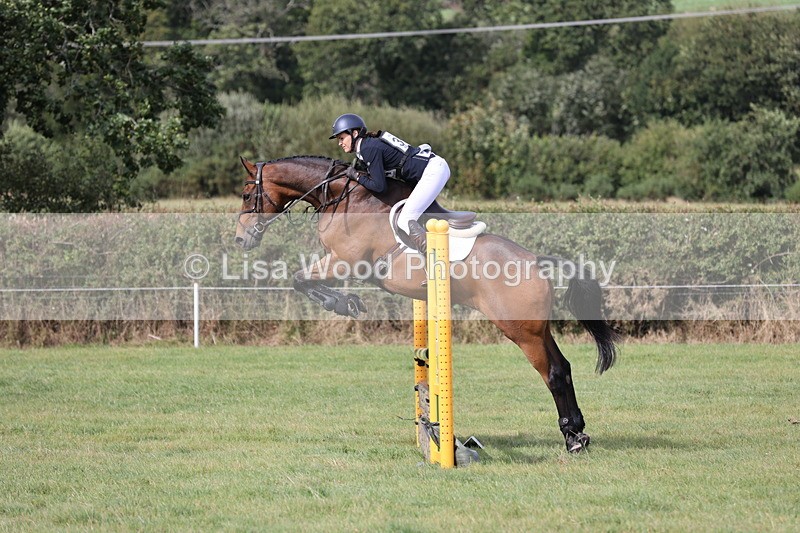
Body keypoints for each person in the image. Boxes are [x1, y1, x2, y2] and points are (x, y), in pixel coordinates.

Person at [329, 113, 451, 253]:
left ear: (355, 133)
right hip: (430, 169)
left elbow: (379, 186)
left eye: (342, 138)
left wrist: (356, 176)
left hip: (433, 171)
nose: (340, 143)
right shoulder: (367, 145)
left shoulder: (368, 148)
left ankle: (434, 257)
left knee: (405, 219)